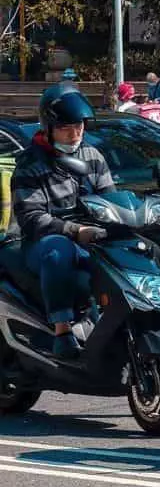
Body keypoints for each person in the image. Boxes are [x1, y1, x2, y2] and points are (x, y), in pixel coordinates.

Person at [11, 85, 115, 359]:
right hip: (43, 244)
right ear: (49, 128)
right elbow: (31, 217)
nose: (75, 134)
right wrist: (73, 230)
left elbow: (111, 199)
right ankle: (62, 331)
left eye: (79, 127)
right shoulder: (30, 164)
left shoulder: (92, 156)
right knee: (58, 250)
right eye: (66, 128)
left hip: (91, 237)